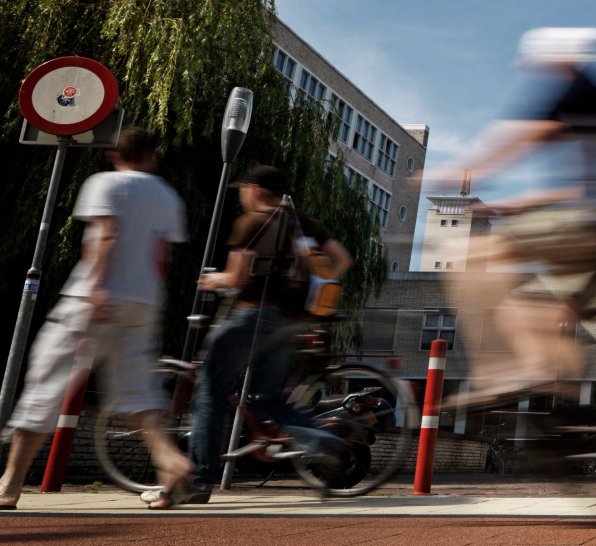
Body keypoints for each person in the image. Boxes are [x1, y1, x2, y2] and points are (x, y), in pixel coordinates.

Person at [435, 27, 596, 404]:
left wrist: (464, 169)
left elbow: (519, 136)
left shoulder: (577, 90)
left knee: (475, 259)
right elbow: (590, 186)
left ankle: (495, 371)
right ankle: (566, 430)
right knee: (538, 312)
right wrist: (520, 203)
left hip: (592, 228)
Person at [0, 128, 193, 509]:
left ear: (113, 154)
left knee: (46, 381)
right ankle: (170, 460)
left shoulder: (105, 183)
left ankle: (8, 485)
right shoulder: (168, 196)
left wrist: (98, 286)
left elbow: (104, 235)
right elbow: (162, 256)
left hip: (92, 296)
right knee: (137, 391)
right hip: (143, 301)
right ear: (152, 156)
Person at [181, 165, 352, 504]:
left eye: (243, 189)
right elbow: (342, 259)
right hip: (291, 320)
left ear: (256, 189)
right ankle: (321, 441)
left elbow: (235, 278)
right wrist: (313, 292)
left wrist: (213, 281)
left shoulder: (252, 222)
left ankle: (200, 480)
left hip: (253, 314)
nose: (242, 195)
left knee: (210, 389)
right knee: (268, 397)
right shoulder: (302, 223)